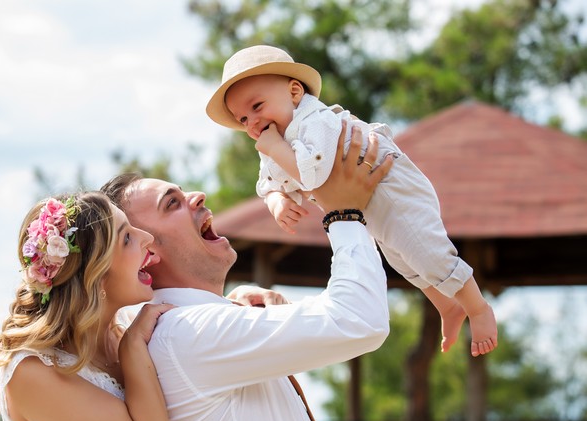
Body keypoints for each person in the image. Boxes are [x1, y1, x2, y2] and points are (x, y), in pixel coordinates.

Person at [100, 125, 391, 421]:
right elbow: (359, 318)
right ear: (146, 253)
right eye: (171, 203)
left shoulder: (200, 326)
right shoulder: (188, 333)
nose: (197, 195)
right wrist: (345, 212)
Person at [206, 44, 498, 357]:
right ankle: (448, 305)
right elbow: (268, 182)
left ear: (294, 93)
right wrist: (277, 200)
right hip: (366, 202)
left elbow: (314, 175)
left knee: (427, 251)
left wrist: (276, 149)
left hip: (391, 186)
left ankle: (479, 309)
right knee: (403, 260)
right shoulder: (274, 141)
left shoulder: (314, 120)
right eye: (243, 119)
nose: (252, 122)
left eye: (257, 106)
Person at [0, 192, 177, 421]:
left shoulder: (128, 330)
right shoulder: (31, 371)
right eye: (127, 238)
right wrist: (132, 349)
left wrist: (242, 301)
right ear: (95, 275)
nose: (147, 237)